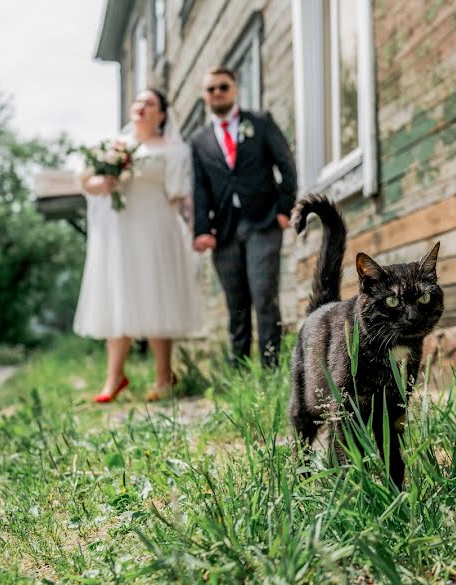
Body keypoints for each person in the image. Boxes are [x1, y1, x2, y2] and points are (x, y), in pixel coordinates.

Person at [74, 89, 202, 402]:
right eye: (138, 102)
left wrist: (195, 227)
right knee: (119, 296)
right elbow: (85, 181)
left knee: (157, 296)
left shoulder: (174, 150)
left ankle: (163, 378)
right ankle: (114, 378)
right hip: (119, 233)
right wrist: (103, 184)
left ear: (162, 114)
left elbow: (180, 195)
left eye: (150, 103)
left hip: (156, 229)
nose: (141, 107)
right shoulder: (113, 145)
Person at [190, 67, 297, 367]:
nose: (217, 93)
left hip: (263, 222)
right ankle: (238, 370)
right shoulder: (199, 140)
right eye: (210, 89)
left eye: (223, 86)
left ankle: (271, 367)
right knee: (236, 303)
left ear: (235, 89)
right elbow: (199, 187)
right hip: (224, 230)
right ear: (205, 96)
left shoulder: (260, 122)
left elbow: (286, 164)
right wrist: (201, 229)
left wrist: (285, 209)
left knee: (264, 295)